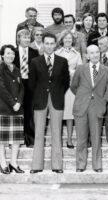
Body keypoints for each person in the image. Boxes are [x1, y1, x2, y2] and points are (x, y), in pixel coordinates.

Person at [29, 32, 70, 174]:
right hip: (40, 101)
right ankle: (36, 166)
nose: (49, 46)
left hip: (57, 100)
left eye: (52, 43)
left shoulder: (62, 61)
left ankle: (57, 166)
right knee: (39, 134)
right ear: (43, 44)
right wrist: (39, 95)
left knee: (56, 133)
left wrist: (57, 93)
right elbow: (31, 84)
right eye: (46, 43)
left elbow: (66, 82)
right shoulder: (35, 61)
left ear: (55, 45)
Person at [71, 45, 108, 173]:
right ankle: (80, 165)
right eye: (91, 53)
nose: (95, 55)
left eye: (97, 52)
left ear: (100, 54)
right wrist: (82, 97)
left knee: (96, 137)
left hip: (97, 107)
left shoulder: (106, 70)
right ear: (87, 56)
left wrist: (103, 102)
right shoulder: (80, 69)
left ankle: (97, 165)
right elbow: (74, 86)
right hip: (82, 106)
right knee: (81, 138)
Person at [0, 44, 25, 174]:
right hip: (4, 108)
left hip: (17, 108)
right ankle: (3, 164)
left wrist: (19, 102)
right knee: (2, 140)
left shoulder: (17, 69)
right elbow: (1, 89)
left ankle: (13, 163)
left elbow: (22, 88)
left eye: (12, 53)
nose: (11, 56)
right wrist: (13, 103)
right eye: (8, 53)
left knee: (16, 139)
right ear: (2, 55)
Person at [55, 30, 83, 149]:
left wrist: (72, 72)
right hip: (58, 86)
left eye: (70, 39)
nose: (68, 40)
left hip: (71, 86)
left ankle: (70, 140)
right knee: (58, 114)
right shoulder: (57, 52)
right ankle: (57, 139)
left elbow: (80, 70)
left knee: (70, 114)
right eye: (65, 38)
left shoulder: (76, 54)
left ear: (73, 40)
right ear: (62, 40)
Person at [13, 29, 39, 148]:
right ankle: (16, 139)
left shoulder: (34, 52)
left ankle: (30, 139)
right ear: (19, 39)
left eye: (29, 38)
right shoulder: (13, 52)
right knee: (17, 111)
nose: (27, 40)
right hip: (17, 84)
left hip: (30, 84)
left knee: (29, 111)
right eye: (25, 37)